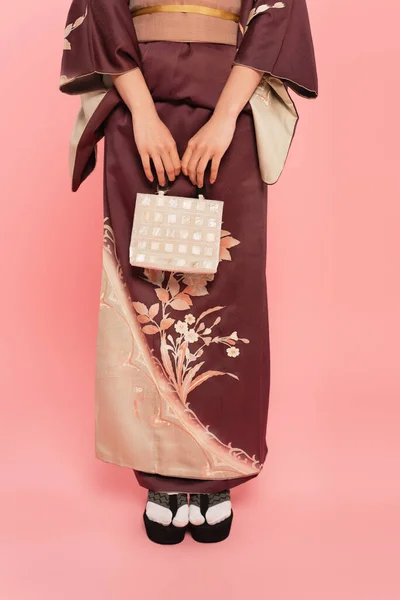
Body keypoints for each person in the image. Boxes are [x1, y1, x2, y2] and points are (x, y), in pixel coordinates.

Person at [59, 0, 318, 544]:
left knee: (229, 287)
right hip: (139, 105)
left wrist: (225, 120)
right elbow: (104, 12)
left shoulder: (230, 117)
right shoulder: (141, 114)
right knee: (148, 284)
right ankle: (158, 473)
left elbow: (275, 13)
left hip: (231, 107)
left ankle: (217, 469)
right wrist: (145, 117)